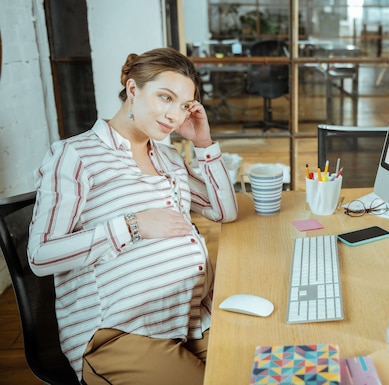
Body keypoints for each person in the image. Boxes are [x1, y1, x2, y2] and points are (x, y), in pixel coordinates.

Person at [28, 47, 238, 384]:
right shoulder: (75, 155)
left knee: (259, 362)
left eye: (184, 106)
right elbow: (40, 255)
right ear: (133, 89)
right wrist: (133, 226)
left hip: (189, 317)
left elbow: (223, 211)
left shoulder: (168, 157)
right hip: (120, 333)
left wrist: (204, 143)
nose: (173, 115)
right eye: (165, 98)